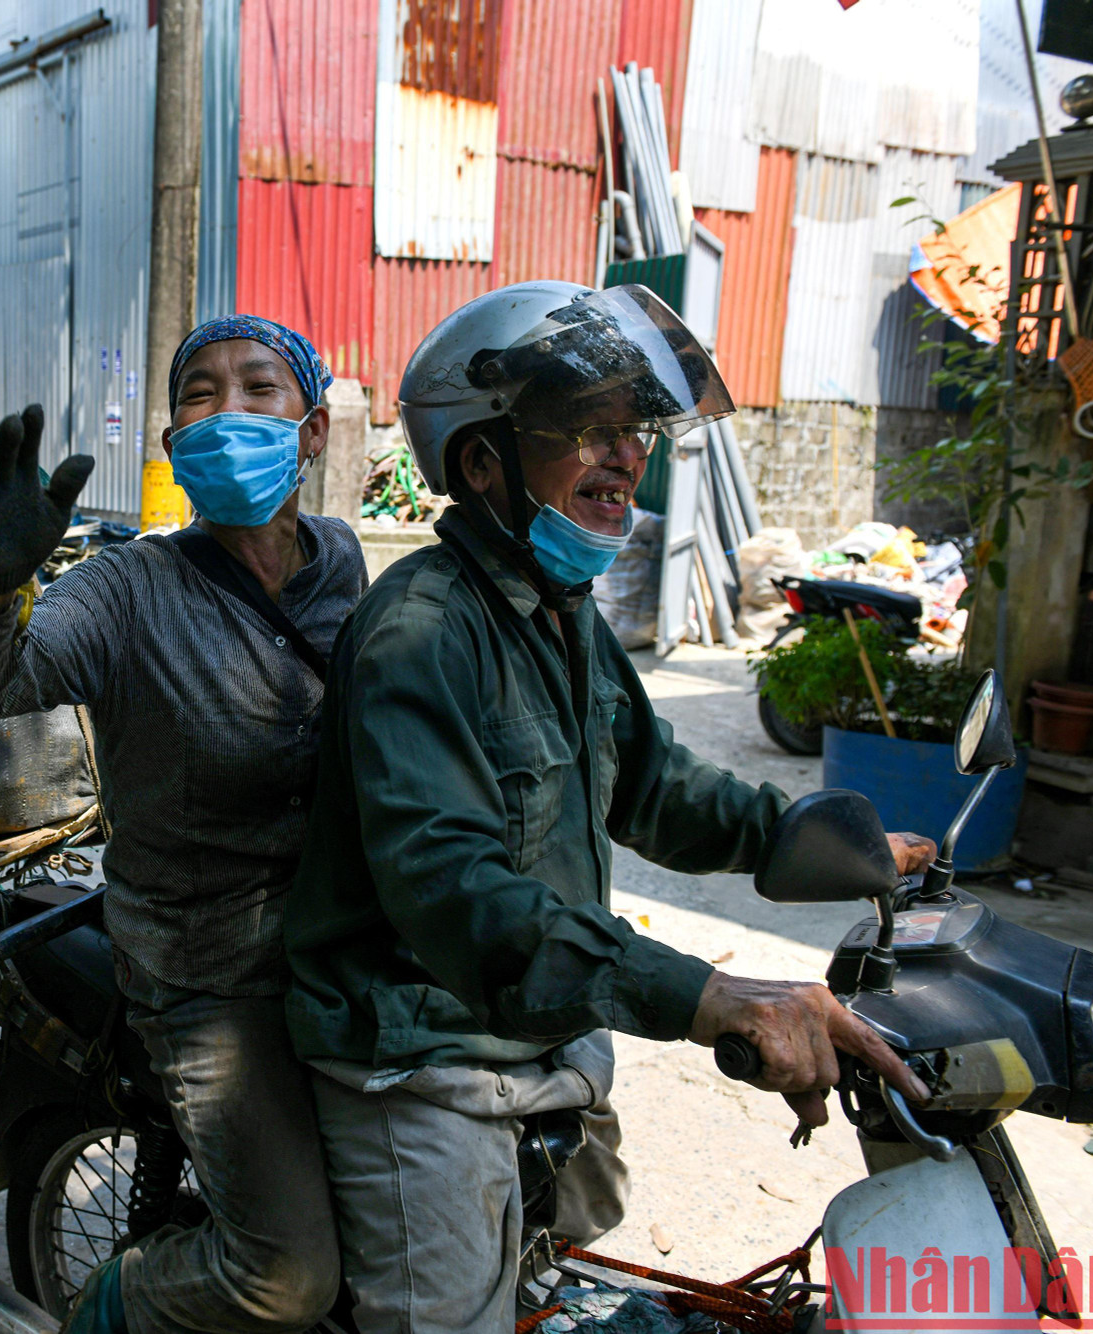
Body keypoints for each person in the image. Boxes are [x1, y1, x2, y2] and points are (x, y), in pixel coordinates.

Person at [281, 281, 937, 1334]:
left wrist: (804, 837)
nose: (627, 456)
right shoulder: (419, 630)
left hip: (541, 1032)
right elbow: (453, 891)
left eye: (634, 429)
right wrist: (711, 994)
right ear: (481, 460)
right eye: (588, 427)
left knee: (579, 1267)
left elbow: (653, 781)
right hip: (420, 1052)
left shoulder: (559, 611)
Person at [0, 316, 367, 1334]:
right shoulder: (129, 588)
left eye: (260, 388)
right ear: (171, 446)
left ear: (309, 432)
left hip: (338, 944)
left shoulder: (339, 560)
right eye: (200, 395)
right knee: (285, 1275)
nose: (228, 411)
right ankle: (110, 1301)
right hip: (204, 966)